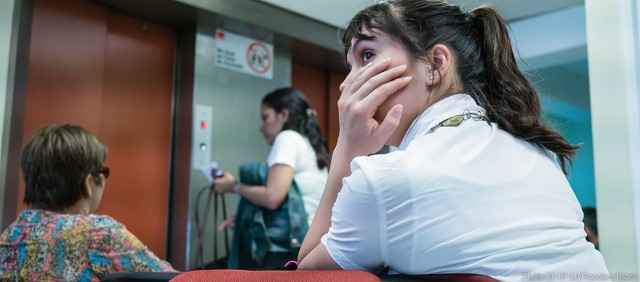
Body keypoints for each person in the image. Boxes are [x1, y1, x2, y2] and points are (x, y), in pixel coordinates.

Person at [296, 1, 609, 281]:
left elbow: (307, 273)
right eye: (349, 67)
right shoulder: (539, 151)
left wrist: (346, 151)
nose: (348, 84)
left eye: (367, 56)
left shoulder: (386, 179)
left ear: (435, 65)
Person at [0, 124, 175, 281]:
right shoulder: (98, 233)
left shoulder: (10, 235)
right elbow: (177, 280)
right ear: (89, 182)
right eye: (103, 171)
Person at [214, 87, 330, 267]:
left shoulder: (287, 138)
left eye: (265, 117)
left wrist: (233, 186)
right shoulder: (308, 144)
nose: (261, 127)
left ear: (283, 115)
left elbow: (272, 197)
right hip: (310, 242)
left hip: (287, 247)